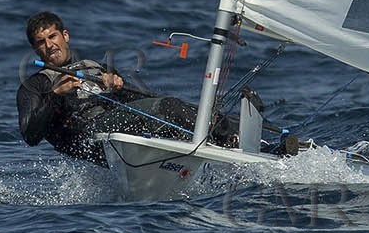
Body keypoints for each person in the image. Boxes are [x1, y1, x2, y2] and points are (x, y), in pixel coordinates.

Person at [17, 12, 228, 167]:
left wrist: (117, 88)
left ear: (65, 36)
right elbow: (30, 135)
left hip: (122, 136)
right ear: (35, 49)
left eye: (52, 37)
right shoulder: (36, 85)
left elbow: (138, 104)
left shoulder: (96, 68)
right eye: (41, 42)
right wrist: (56, 95)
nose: (49, 45)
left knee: (183, 112)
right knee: (169, 107)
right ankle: (220, 140)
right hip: (89, 139)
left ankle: (227, 138)